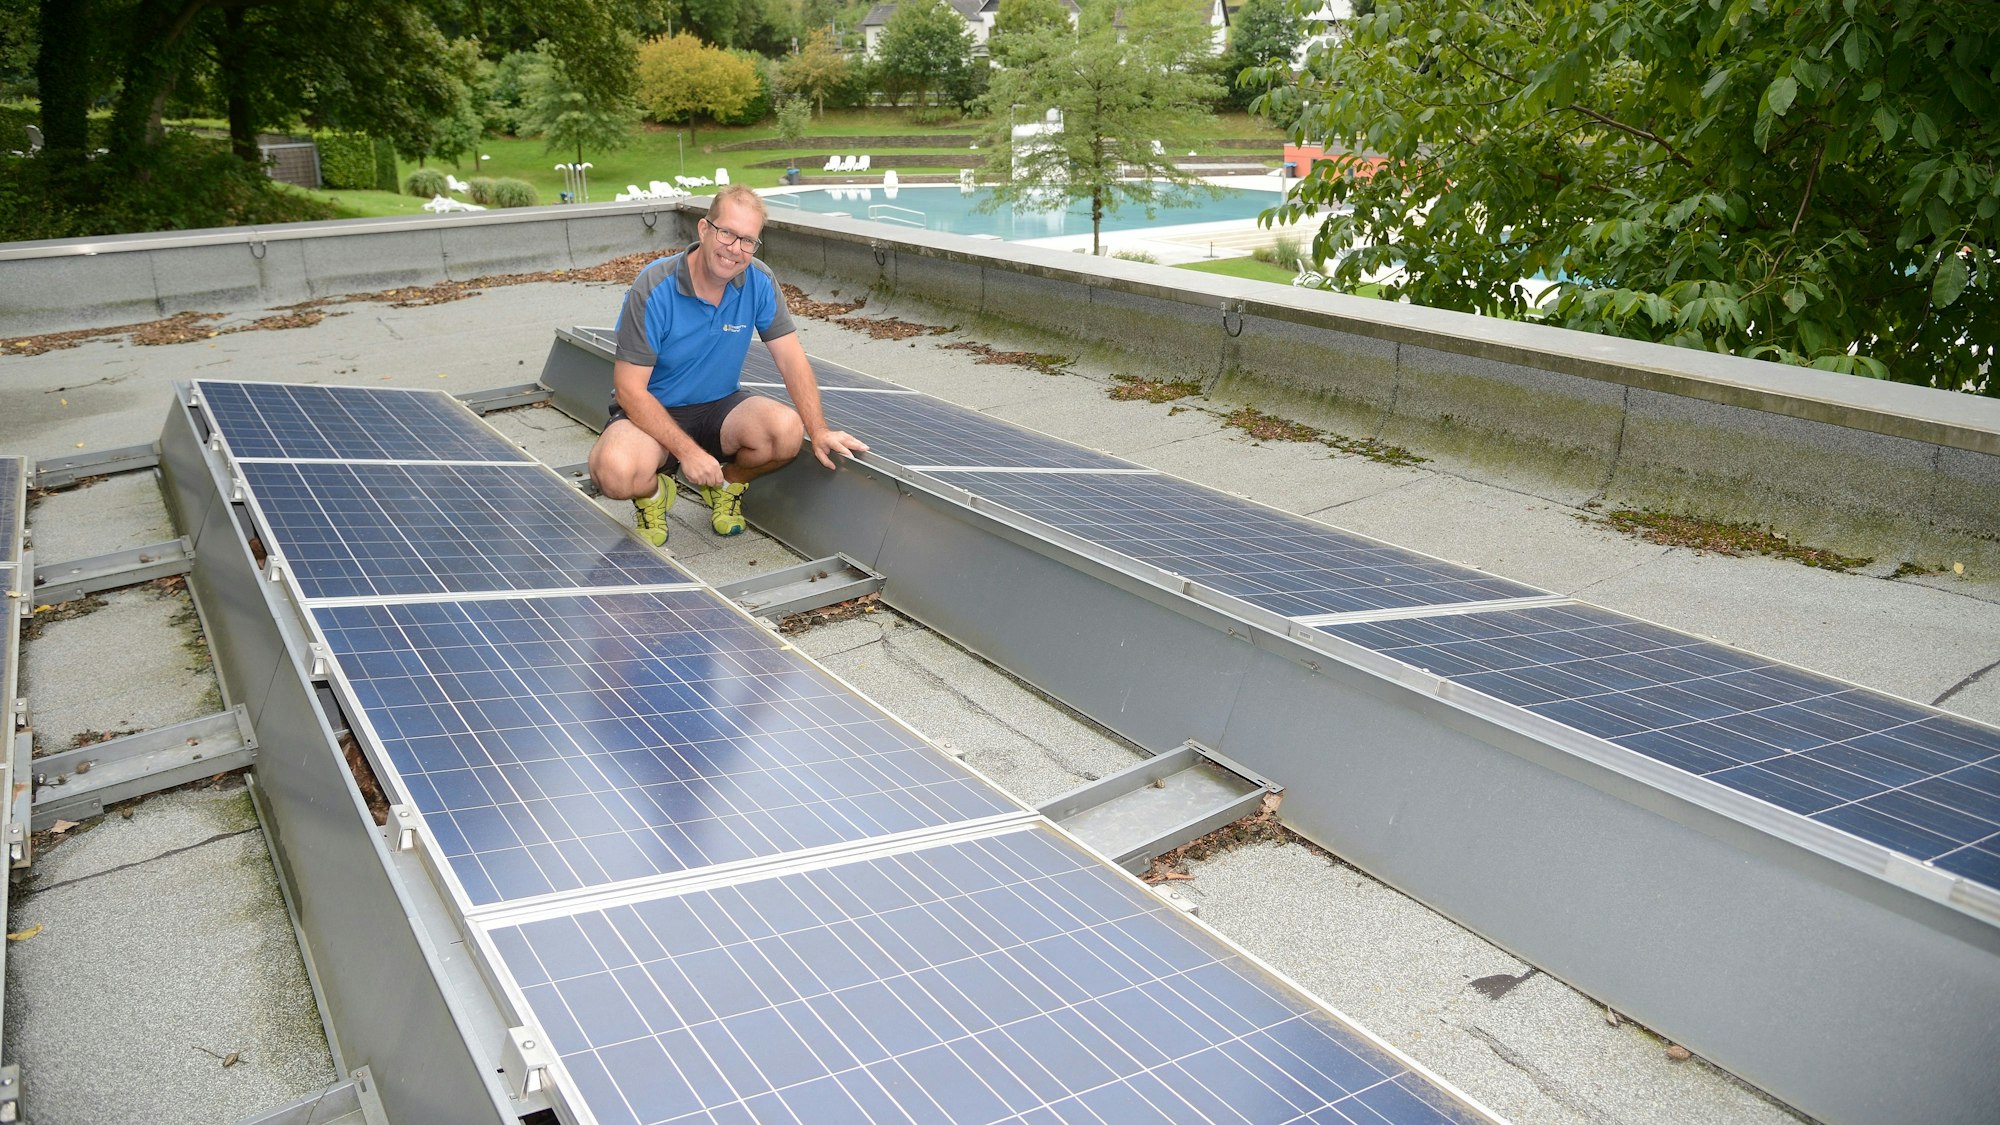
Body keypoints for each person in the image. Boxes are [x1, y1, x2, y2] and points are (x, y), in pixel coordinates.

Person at [588, 185, 868, 545]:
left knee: (785, 431)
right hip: (652, 412)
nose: (735, 248)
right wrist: (688, 452)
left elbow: (791, 359)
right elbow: (629, 390)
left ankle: (725, 485)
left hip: (718, 407)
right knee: (613, 472)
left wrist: (820, 430)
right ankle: (653, 494)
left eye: (748, 240)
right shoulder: (654, 286)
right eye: (727, 233)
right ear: (704, 229)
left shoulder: (759, 281)